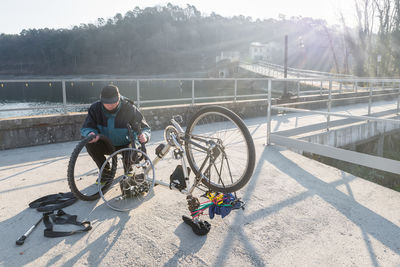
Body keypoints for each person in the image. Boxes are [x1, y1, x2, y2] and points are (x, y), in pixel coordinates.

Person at [81, 84, 151, 181]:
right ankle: (105, 171)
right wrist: (90, 134)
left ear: (119, 98)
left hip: (126, 144)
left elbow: (144, 128)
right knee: (89, 143)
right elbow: (87, 127)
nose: (110, 105)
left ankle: (129, 169)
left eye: (113, 102)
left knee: (131, 151)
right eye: (106, 102)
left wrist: (145, 136)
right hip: (106, 144)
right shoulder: (95, 108)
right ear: (101, 100)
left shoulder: (129, 108)